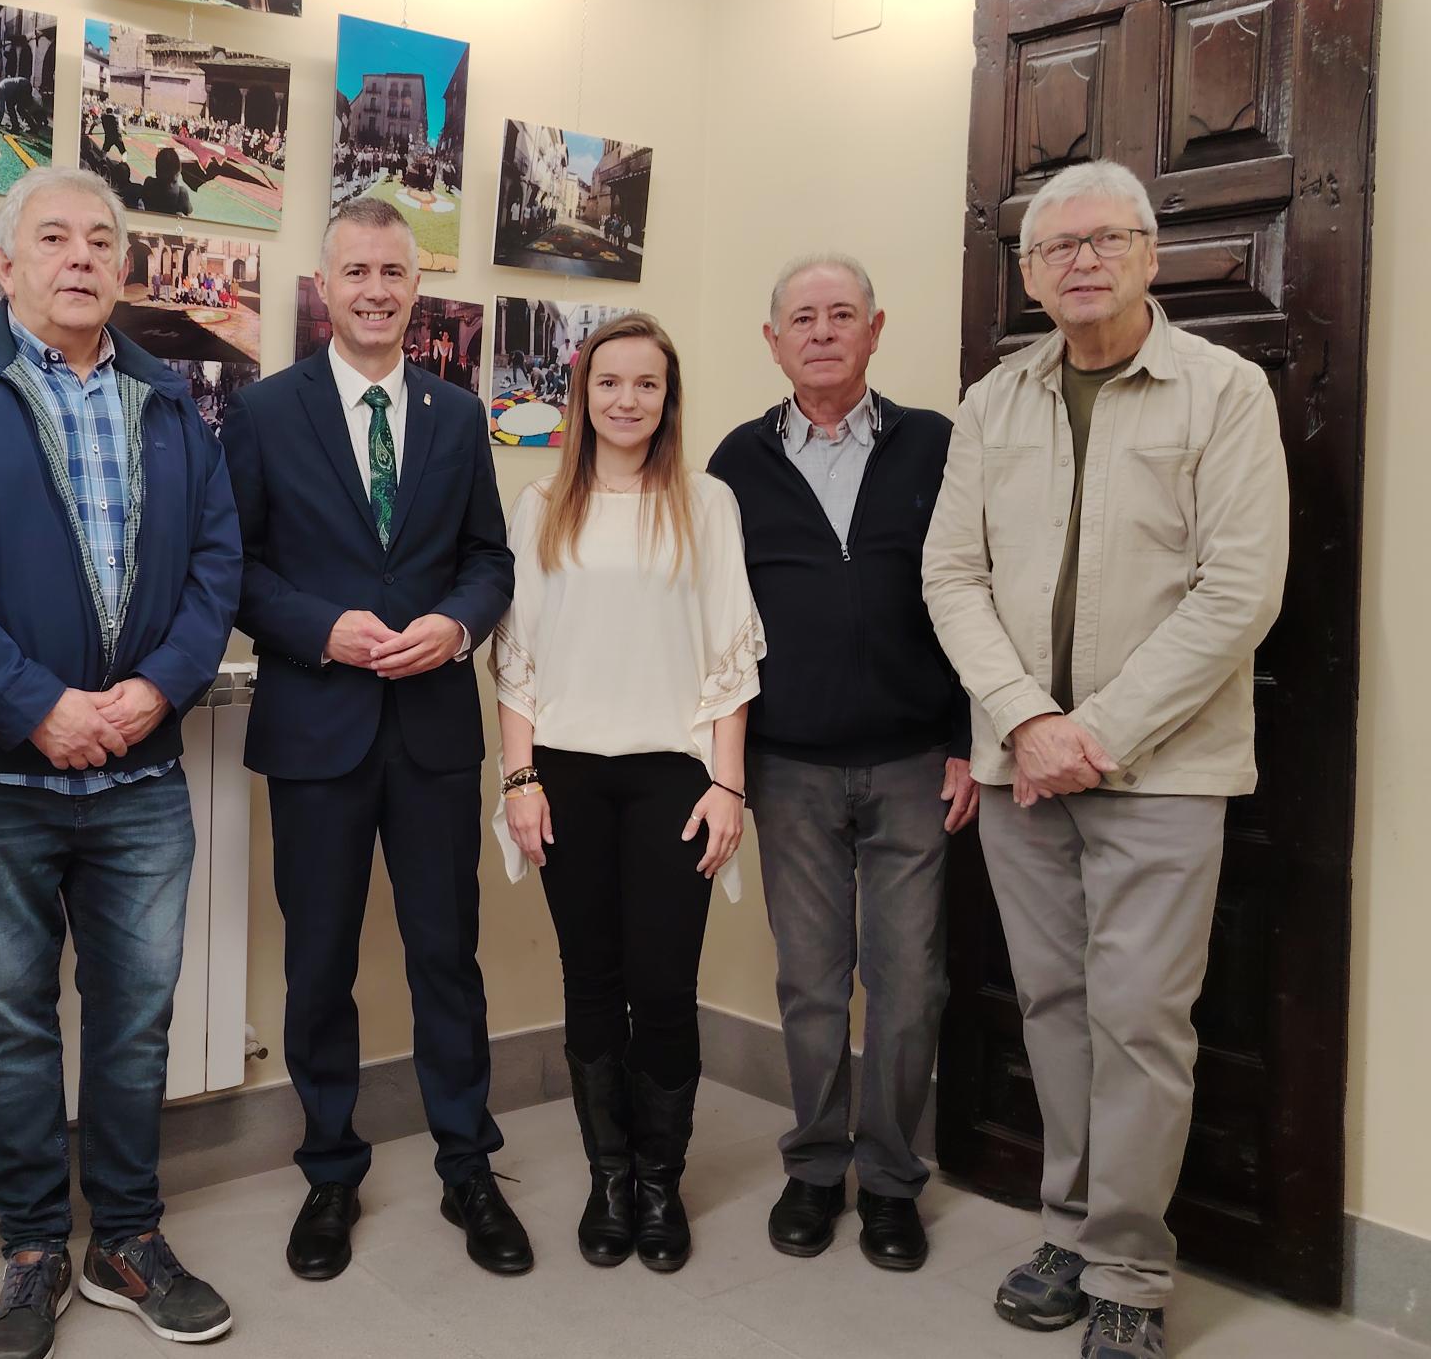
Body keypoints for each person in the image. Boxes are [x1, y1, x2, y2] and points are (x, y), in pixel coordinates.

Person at [0, 166, 243, 1359]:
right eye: (52, 238)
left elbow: (216, 563)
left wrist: (152, 691)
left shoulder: (171, 396)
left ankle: (125, 1239)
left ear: (123, 270)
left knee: (134, 1024)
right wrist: (39, 708)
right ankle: (32, 1248)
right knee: (13, 1025)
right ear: (1, 266)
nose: (80, 257)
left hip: (136, 776)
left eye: (101, 241)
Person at [922, 160, 1289, 1359]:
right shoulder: (992, 400)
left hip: (1163, 770)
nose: (1077, 261)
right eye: (1051, 248)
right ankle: (1070, 1230)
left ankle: (1129, 1268)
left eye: (1101, 239)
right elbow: (950, 574)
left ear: (1147, 252)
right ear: (1026, 275)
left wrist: (1100, 733)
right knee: (1053, 1005)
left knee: (1140, 1018)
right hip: (1021, 766)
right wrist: (1027, 720)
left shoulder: (1221, 393)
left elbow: (1238, 591)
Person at [220, 199, 529, 1282]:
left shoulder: (453, 414)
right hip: (317, 732)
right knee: (319, 965)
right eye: (355, 271)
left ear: (415, 285)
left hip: (435, 735)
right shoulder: (262, 414)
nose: (374, 290)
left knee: (448, 958)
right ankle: (330, 1171)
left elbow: (488, 559)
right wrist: (317, 629)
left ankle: (466, 1165)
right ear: (323, 284)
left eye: (392, 271)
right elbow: (236, 569)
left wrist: (456, 626)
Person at [706, 254, 975, 1274]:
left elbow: (973, 593)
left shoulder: (937, 447)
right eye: (800, 319)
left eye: (840, 315)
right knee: (811, 984)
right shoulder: (734, 462)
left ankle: (894, 1181)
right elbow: (717, 617)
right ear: (772, 341)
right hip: (789, 765)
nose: (820, 332)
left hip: (914, 762)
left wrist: (967, 739)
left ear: (873, 330)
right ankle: (815, 1168)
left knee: (908, 985)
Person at [493, 314, 763, 1274]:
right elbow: (515, 661)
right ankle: (610, 1178)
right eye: (610, 382)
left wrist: (728, 785)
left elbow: (732, 658)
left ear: (668, 398)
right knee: (591, 981)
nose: (627, 399)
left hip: (673, 782)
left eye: (647, 384)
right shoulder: (541, 509)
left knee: (664, 985)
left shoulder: (707, 504)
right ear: (584, 393)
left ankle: (662, 1183)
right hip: (563, 775)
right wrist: (518, 779)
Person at [141, 147, 195, 216]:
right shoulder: (181, 193)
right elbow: (190, 215)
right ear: (178, 172)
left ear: (157, 170)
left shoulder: (148, 183)